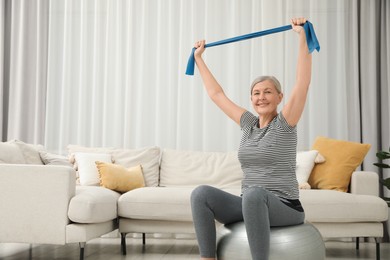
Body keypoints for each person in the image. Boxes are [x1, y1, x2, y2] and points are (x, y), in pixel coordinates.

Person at [190, 17, 312, 260]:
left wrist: (302, 36)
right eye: (256, 93)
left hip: (285, 207)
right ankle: (207, 258)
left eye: (268, 92)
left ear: (279, 97)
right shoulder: (248, 124)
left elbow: (302, 83)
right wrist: (199, 59)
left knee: (255, 194)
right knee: (201, 194)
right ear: (251, 99)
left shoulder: (285, 123)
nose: (261, 97)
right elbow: (216, 94)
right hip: (251, 204)